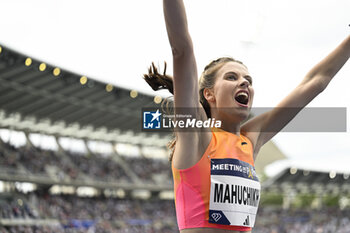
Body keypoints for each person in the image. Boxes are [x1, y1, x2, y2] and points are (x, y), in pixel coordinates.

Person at [143, 0, 350, 232]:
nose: (244, 82)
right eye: (231, 77)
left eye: (248, 80)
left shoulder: (250, 139)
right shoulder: (198, 135)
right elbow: (182, 50)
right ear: (208, 94)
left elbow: (315, 82)